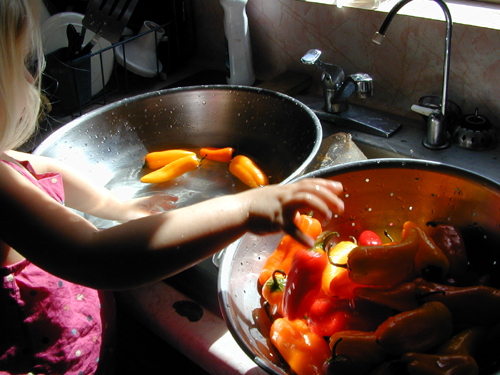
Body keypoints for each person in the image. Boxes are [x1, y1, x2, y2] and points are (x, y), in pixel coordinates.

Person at [0, 1, 345, 374]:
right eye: (22, 64)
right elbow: (98, 257)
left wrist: (122, 209)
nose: (34, 78)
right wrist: (245, 209)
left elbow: (46, 169)